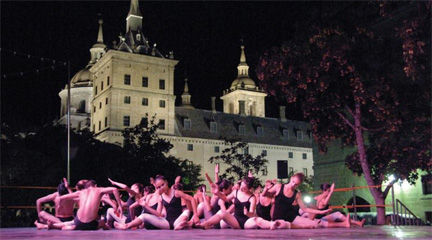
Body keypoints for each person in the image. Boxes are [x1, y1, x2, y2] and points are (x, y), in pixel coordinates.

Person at [114, 175, 200, 230]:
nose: (161, 188)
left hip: (178, 219)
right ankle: (126, 226)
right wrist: (146, 206)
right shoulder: (160, 197)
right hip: (167, 222)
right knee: (144, 216)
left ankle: (183, 224)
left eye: (163, 185)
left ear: (166, 182)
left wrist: (195, 214)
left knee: (187, 211)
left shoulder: (176, 192)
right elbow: (158, 214)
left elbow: (192, 199)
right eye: (159, 187)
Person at [268, 173, 349, 229]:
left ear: (298, 185)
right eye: (293, 182)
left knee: (315, 224)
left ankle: (344, 224)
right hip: (278, 218)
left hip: (291, 217)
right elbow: (265, 195)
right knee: (281, 224)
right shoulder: (279, 186)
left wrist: (321, 212)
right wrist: (266, 188)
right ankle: (299, 226)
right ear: (291, 178)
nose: (293, 185)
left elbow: (305, 209)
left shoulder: (297, 194)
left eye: (296, 184)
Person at [199, 177, 284, 230]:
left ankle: (271, 224)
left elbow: (252, 214)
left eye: (244, 188)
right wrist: (217, 192)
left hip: (247, 221)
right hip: (236, 220)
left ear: (250, 189)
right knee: (221, 212)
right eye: (241, 187)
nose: (241, 189)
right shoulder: (236, 192)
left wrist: (247, 213)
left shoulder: (252, 198)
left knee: (256, 219)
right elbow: (225, 198)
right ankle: (206, 224)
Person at [56, 180, 122, 230]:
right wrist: (120, 206)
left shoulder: (80, 192)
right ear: (95, 185)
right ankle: (104, 226)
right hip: (90, 224)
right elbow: (115, 189)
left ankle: (73, 227)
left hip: (78, 221)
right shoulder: (98, 190)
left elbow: (60, 198)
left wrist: (59, 205)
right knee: (102, 223)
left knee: (74, 223)